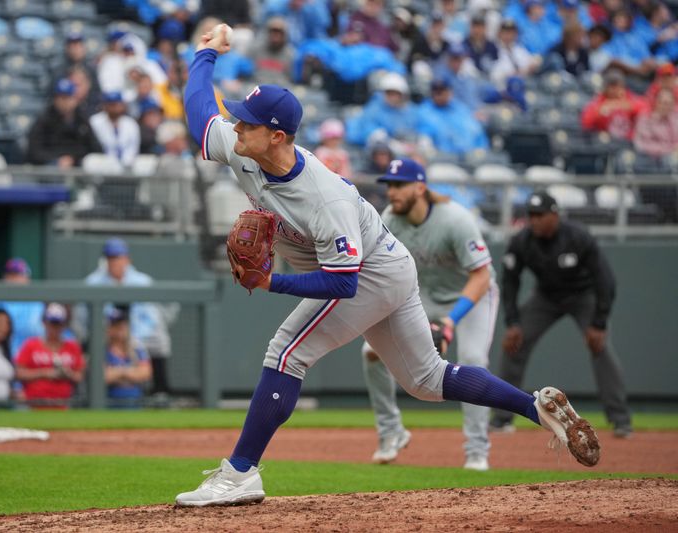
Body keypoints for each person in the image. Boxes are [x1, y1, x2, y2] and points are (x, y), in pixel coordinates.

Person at [174, 25, 601, 507]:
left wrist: (270, 281)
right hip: (390, 266)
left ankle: (240, 474)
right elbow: (200, 115)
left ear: (276, 136)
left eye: (247, 123)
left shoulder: (323, 196)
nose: (236, 127)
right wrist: (205, 54)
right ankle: (534, 406)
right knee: (427, 381)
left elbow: (341, 282)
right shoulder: (244, 147)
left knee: (286, 353)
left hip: (370, 273)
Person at [361, 158, 498, 471]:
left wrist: (451, 321)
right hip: (422, 296)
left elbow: (482, 275)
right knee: (370, 353)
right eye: (389, 185)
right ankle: (390, 432)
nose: (392, 191)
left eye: (399, 185)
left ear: (420, 187)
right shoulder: (390, 220)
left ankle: (477, 450)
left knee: (474, 358)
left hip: (470, 296)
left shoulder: (455, 220)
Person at [491, 191, 632, 438]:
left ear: (554, 215)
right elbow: (510, 283)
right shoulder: (522, 241)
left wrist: (599, 322)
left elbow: (605, 280)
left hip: (582, 295)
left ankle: (620, 420)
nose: (534, 220)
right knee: (514, 343)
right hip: (546, 297)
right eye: (531, 215)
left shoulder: (577, 236)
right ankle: (502, 419)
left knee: (601, 348)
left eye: (540, 215)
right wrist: (512, 322)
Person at [82, 238, 177, 406]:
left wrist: (134, 339)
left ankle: (160, 392)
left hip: (139, 335)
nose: (114, 262)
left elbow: (152, 317)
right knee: (92, 342)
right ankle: (92, 397)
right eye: (110, 258)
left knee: (159, 339)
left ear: (127, 259)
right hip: (106, 335)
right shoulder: (93, 282)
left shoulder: (142, 281)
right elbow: (83, 318)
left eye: (118, 257)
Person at [15, 302, 86, 408]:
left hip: (63, 404)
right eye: (52, 323)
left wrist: (67, 373)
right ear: (44, 322)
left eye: (58, 323)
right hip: (33, 403)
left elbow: (80, 376)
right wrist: (45, 373)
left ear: (64, 325)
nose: (55, 328)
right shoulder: (31, 344)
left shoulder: (72, 346)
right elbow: (19, 373)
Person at [26, 78, 103, 168]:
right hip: (51, 166)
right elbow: (34, 151)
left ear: (75, 99)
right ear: (55, 99)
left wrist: (74, 159)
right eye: (61, 98)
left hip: (78, 165)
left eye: (68, 97)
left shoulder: (82, 119)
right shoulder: (44, 119)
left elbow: (96, 148)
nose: (64, 102)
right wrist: (57, 159)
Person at [0, 258, 45, 359]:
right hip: (0, 358)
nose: (13, 279)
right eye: (10, 274)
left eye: (18, 275)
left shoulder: (36, 304)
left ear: (27, 278)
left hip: (29, 359)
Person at [581, 68, 647, 140]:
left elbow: (645, 108)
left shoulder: (629, 97)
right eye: (612, 87)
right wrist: (600, 112)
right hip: (606, 140)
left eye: (618, 86)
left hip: (628, 140)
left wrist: (615, 105)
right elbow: (586, 122)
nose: (616, 91)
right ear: (605, 88)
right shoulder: (598, 101)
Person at [105, 306, 153, 405]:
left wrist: (119, 372)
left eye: (122, 325)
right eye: (115, 326)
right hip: (110, 401)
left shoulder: (136, 348)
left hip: (135, 401)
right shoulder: (102, 350)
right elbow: (104, 377)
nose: (120, 329)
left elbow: (145, 373)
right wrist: (130, 372)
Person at [89, 91, 141, 168]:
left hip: (127, 165)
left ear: (122, 105)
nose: (114, 107)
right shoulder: (94, 121)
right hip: (103, 164)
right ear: (105, 106)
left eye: (117, 104)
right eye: (111, 104)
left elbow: (133, 147)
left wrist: (125, 162)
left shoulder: (131, 123)